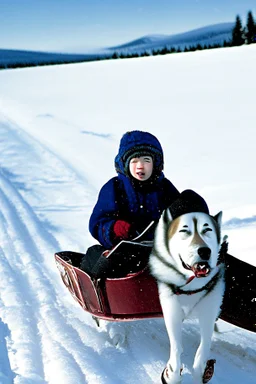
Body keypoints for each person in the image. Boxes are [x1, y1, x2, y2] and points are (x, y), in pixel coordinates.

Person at [80, 130, 180, 278]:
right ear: (125, 164)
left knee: (189, 200)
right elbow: (98, 223)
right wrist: (114, 228)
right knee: (103, 261)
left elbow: (179, 214)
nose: (140, 166)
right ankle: (100, 284)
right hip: (126, 251)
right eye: (134, 161)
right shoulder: (114, 188)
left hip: (159, 250)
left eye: (146, 160)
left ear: (155, 163)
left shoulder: (164, 188)